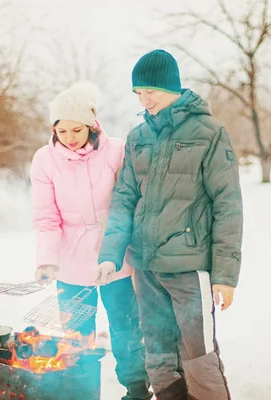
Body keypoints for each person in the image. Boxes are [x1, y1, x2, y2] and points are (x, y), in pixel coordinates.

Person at [96, 50, 244, 400]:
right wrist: (111, 255)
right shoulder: (138, 138)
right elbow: (124, 200)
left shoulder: (209, 133)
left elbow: (228, 205)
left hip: (189, 267)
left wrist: (225, 275)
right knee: (159, 349)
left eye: (151, 91)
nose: (144, 100)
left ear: (172, 88)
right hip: (145, 266)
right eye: (138, 93)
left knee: (199, 353)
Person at [30, 81, 152, 400]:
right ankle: (80, 392)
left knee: (125, 327)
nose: (69, 139)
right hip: (70, 259)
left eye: (77, 130)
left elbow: (130, 202)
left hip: (115, 252)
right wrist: (47, 259)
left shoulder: (117, 150)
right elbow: (46, 217)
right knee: (76, 334)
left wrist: (125, 249)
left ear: (92, 124)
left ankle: (136, 389)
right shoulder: (45, 160)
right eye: (62, 131)